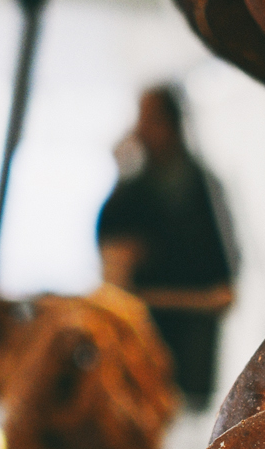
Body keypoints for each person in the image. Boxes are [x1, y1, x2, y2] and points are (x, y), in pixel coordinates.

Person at [96, 86, 237, 406]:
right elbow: (113, 270)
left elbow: (225, 286)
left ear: (171, 124)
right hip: (137, 352)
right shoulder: (134, 189)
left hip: (188, 354)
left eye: (149, 119)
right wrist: (121, 172)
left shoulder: (202, 188)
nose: (140, 129)